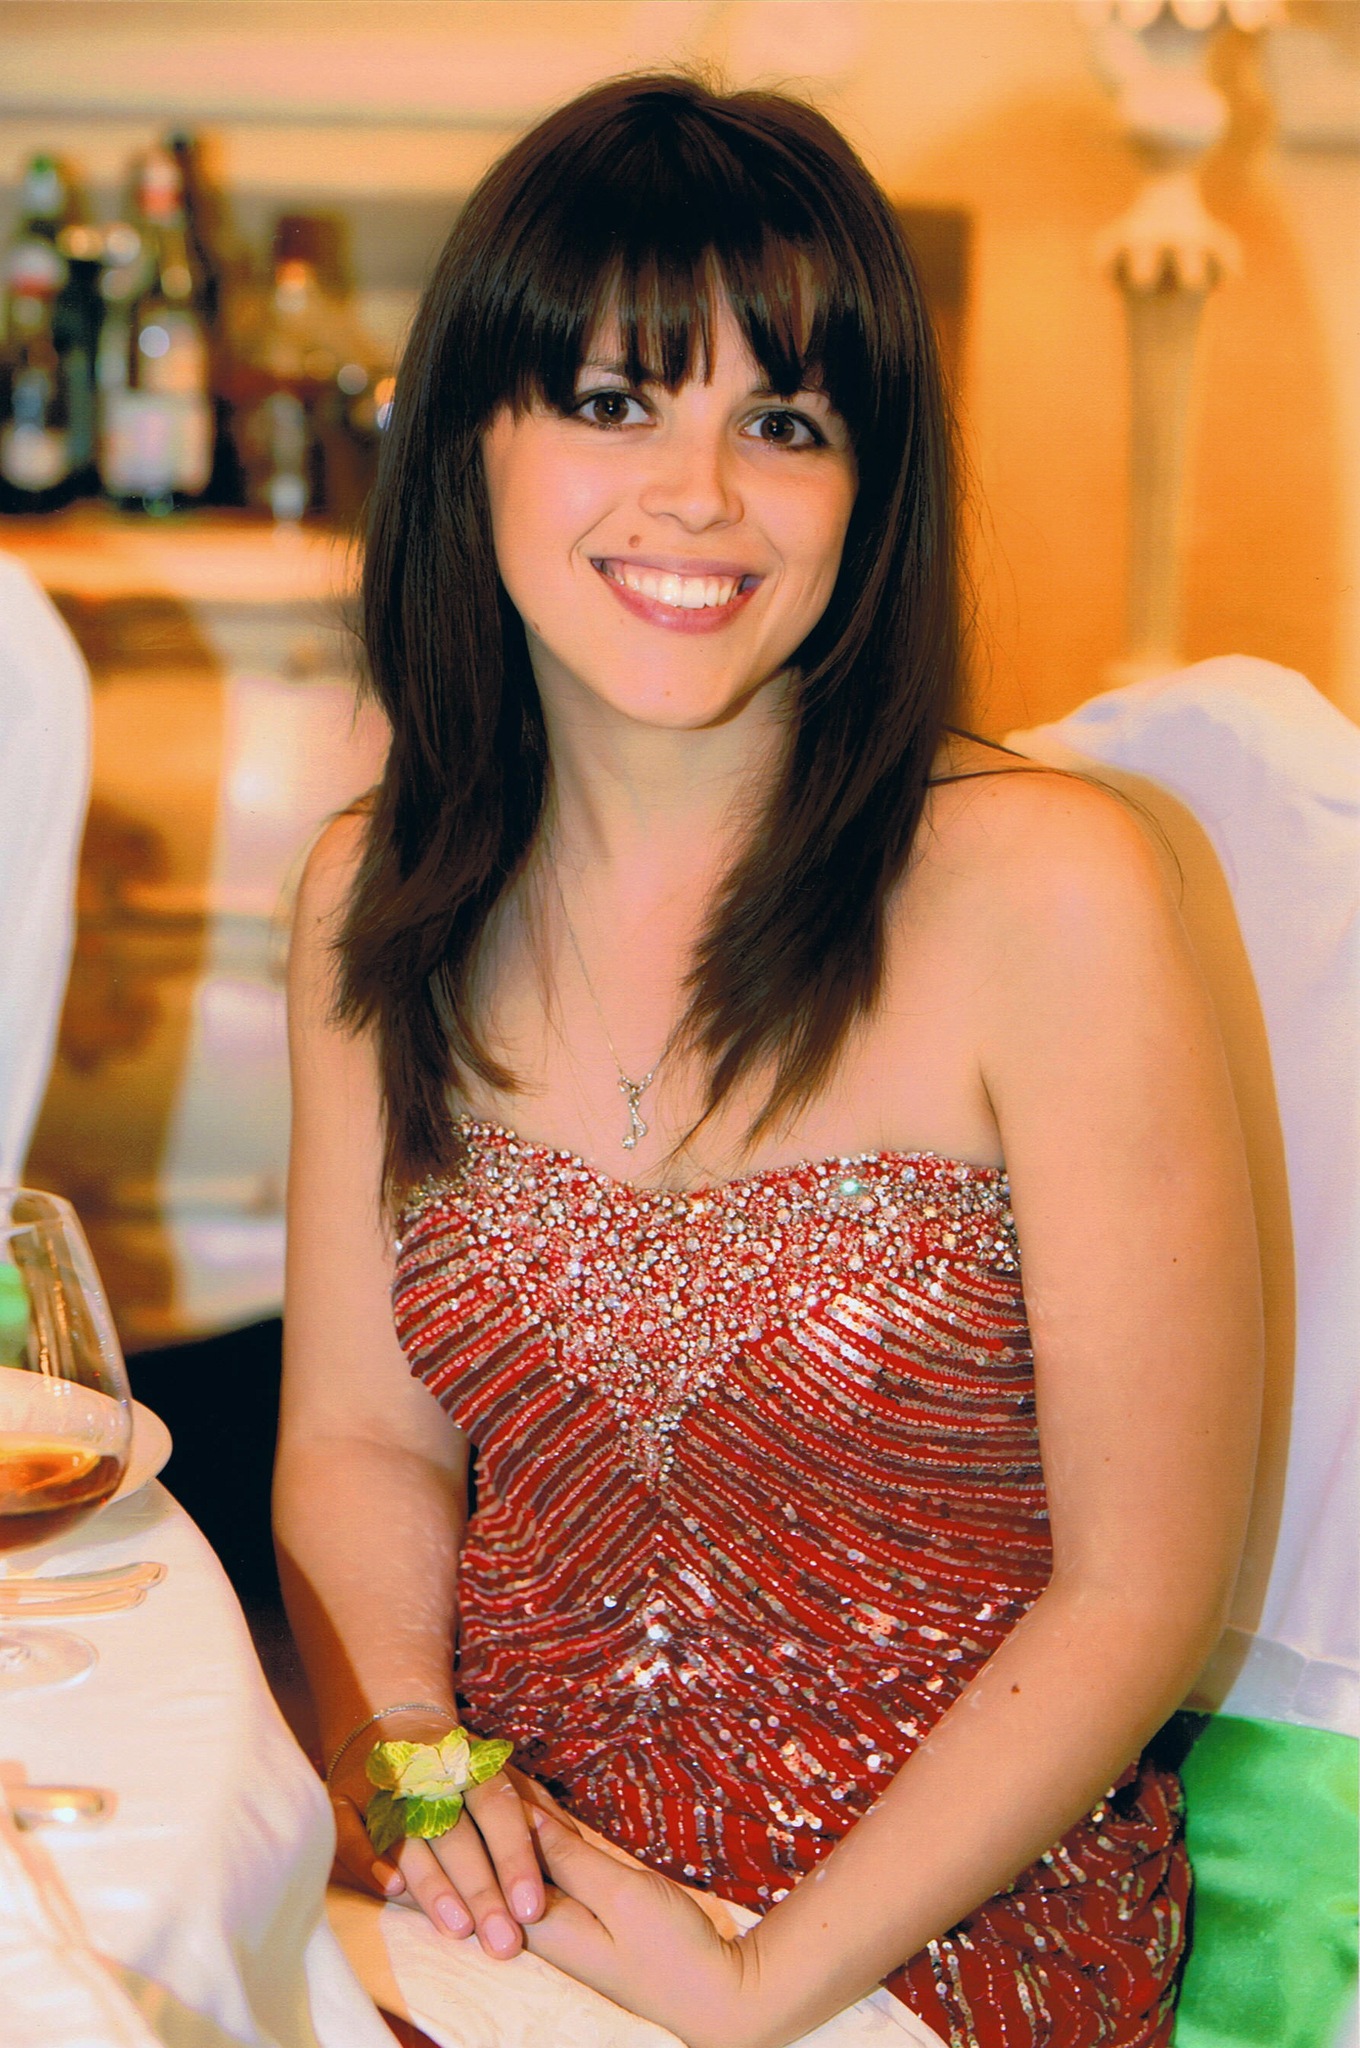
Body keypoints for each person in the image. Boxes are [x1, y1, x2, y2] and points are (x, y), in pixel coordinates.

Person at [275, 75, 1262, 2048]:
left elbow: (1140, 1588)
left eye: (785, 423)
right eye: (614, 400)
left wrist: (752, 1986)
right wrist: (420, 1781)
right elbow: (362, 1445)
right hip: (519, 1913)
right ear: (469, 439)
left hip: (949, 1936)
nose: (702, 492)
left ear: (866, 492)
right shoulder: (371, 900)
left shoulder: (1047, 892)